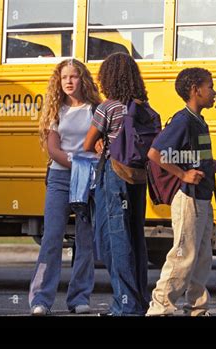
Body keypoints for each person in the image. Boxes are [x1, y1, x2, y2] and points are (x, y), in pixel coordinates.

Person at [29, 59, 101, 316]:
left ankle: (79, 297)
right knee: (52, 237)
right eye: (64, 78)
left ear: (83, 79)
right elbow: (53, 148)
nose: (69, 81)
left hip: (89, 179)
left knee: (86, 239)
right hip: (61, 178)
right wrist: (76, 161)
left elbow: (100, 144)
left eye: (74, 76)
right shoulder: (56, 110)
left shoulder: (95, 109)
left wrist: (89, 162)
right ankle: (41, 299)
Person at [146, 67, 216, 316]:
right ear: (195, 90)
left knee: (201, 257)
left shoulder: (198, 120)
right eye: (210, 86)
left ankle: (197, 308)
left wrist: (209, 166)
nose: (214, 91)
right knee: (183, 255)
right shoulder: (183, 120)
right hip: (188, 197)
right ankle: (159, 308)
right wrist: (183, 174)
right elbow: (155, 153)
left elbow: (190, 155)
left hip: (202, 198)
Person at [84, 52, 151, 316]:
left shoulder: (107, 107)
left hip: (113, 176)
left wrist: (101, 143)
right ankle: (140, 300)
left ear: (108, 78)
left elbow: (87, 144)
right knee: (136, 236)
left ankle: (125, 305)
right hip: (138, 176)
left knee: (115, 238)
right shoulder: (143, 106)